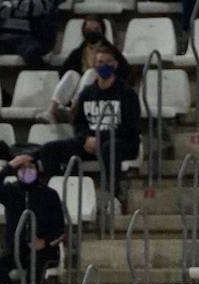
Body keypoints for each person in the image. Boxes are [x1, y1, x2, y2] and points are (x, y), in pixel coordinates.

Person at [37, 45, 140, 196]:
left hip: (121, 143)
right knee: (48, 150)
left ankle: (113, 195)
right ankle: (59, 193)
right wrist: (85, 138)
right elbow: (79, 123)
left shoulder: (126, 93)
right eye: (100, 62)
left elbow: (130, 127)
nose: (104, 65)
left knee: (109, 148)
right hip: (90, 142)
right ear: (94, 65)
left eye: (108, 62)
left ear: (115, 64)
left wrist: (99, 138)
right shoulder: (87, 93)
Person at [0, 153, 65, 284]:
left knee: (36, 263)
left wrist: (46, 242)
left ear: (37, 169)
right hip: (15, 248)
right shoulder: (10, 191)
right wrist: (10, 165)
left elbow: (60, 229)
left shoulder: (49, 194)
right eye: (22, 167)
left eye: (31, 167)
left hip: (42, 250)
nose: (27, 170)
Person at [48, 15, 131, 121]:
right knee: (71, 74)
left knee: (91, 73)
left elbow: (124, 72)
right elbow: (63, 72)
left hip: (100, 91)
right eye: (88, 30)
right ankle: (52, 111)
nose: (92, 32)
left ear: (102, 30)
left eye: (96, 29)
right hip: (77, 90)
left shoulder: (111, 51)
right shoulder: (77, 52)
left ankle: (75, 108)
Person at [0, 0, 67, 69]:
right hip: (2, 40)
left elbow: (43, 6)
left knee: (32, 54)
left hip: (30, 39)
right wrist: (26, 10)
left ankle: (42, 88)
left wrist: (12, 5)